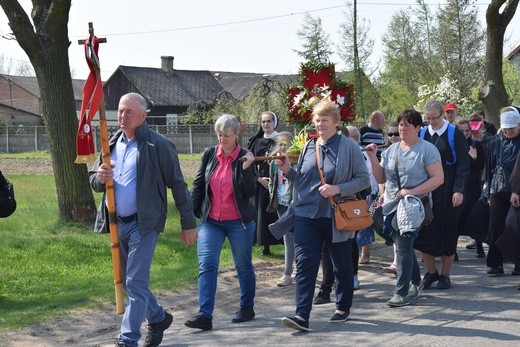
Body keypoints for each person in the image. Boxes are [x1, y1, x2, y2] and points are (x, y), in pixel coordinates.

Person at [90, 92, 198, 347]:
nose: (122, 116)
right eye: (120, 110)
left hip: (145, 223)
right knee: (129, 279)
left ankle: (128, 339)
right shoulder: (111, 143)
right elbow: (94, 181)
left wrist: (188, 222)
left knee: (135, 281)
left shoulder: (157, 144)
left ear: (143, 115)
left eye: (129, 112)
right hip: (117, 223)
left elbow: (178, 185)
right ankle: (158, 318)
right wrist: (100, 177)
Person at [270, 97, 370, 331]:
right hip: (306, 214)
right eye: (317, 120)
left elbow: (364, 180)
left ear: (336, 122)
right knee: (305, 263)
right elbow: (304, 181)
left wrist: (338, 189)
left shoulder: (350, 147)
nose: (319, 124)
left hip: (336, 216)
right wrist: (287, 171)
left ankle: (343, 305)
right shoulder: (309, 146)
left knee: (341, 264)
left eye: (324, 120)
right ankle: (302, 315)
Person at [185, 114, 257, 331]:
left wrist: (245, 171)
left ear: (237, 134)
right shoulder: (210, 154)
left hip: (239, 222)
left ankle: (247, 308)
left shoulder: (246, 156)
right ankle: (204, 316)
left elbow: (250, 192)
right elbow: (199, 185)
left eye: (226, 135)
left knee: (242, 265)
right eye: (219, 134)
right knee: (206, 265)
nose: (222, 139)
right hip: (211, 221)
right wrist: (191, 214)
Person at [366, 109, 443, 307]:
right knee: (402, 245)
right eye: (400, 124)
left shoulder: (427, 149)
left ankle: (401, 292)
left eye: (407, 125)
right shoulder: (391, 150)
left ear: (418, 127)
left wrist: (413, 191)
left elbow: (438, 178)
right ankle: (416, 282)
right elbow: (381, 178)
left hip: (413, 207)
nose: (402, 128)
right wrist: (373, 157)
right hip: (391, 205)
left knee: (402, 245)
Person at [416, 99, 470, 290]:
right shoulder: (422, 133)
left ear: (442, 115)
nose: (431, 122)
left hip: (448, 188)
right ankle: (431, 273)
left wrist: (458, 190)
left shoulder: (454, 133)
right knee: (425, 230)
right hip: (427, 189)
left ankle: (445, 275)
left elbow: (464, 164)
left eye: (435, 118)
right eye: (428, 118)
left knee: (448, 230)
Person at [484, 107, 520, 276]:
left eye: (512, 128)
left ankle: (518, 263)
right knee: (495, 227)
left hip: (517, 190)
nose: (509, 132)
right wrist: (488, 191)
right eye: (506, 129)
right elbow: (490, 165)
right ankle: (495, 263)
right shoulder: (496, 141)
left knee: (514, 227)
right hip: (498, 189)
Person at [247, 111, 281, 255]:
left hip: (279, 181)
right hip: (262, 182)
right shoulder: (256, 142)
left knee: (280, 213)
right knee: (263, 214)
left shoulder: (281, 139)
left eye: (269, 121)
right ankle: (265, 246)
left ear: (275, 123)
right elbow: (250, 163)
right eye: (263, 122)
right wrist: (258, 179)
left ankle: (285, 242)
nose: (266, 124)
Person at [267, 131, 297, 287]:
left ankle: (294, 271)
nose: (283, 148)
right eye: (280, 144)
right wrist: (273, 194)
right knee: (287, 238)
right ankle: (287, 273)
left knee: (296, 237)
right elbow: (273, 181)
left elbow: (299, 180)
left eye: (286, 145)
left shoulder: (296, 161)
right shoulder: (273, 162)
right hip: (281, 203)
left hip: (294, 204)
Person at [347, 125, 377, 266]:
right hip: (349, 194)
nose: (349, 140)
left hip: (366, 193)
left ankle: (365, 251)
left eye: (352, 137)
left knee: (365, 223)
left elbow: (370, 174)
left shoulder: (364, 154)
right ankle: (353, 252)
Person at [455, 119, 486, 258]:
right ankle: (452, 250)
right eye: (462, 131)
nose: (465, 133)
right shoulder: (454, 146)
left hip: (473, 186)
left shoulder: (476, 145)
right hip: (459, 186)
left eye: (467, 130)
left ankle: (479, 247)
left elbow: (482, 166)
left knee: (475, 217)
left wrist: (474, 158)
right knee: (456, 219)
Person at [381, 121, 401, 276]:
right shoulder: (386, 152)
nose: (393, 137)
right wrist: (382, 193)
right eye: (390, 134)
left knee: (401, 230)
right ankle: (398, 261)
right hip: (389, 196)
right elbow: (382, 177)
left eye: (396, 133)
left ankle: (398, 262)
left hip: (404, 197)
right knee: (393, 229)